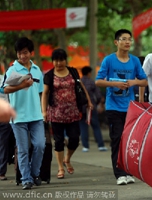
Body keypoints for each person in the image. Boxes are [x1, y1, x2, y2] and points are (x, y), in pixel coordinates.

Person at [95, 29, 147, 185]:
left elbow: (144, 81)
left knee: (130, 141)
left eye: (129, 39)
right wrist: (114, 84)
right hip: (113, 108)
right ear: (116, 42)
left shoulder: (135, 61)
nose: (127, 42)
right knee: (117, 139)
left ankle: (129, 172)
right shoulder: (109, 60)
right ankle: (119, 174)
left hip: (130, 108)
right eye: (124, 39)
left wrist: (134, 82)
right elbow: (98, 81)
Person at [42, 49, 93, 179]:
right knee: (58, 141)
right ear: (53, 61)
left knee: (75, 139)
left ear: (65, 60)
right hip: (56, 113)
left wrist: (88, 101)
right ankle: (60, 167)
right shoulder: (49, 75)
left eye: (61, 60)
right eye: (56, 60)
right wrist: (44, 111)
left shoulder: (73, 71)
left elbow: (81, 86)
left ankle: (67, 159)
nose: (59, 63)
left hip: (73, 112)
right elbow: (45, 94)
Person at [2, 37, 45, 190]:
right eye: (19, 53)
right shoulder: (12, 70)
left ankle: (34, 173)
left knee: (40, 145)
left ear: (31, 53)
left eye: (25, 53)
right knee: (23, 149)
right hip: (18, 117)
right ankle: (26, 178)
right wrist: (21, 85)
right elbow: (4, 89)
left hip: (36, 115)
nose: (22, 56)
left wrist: (44, 111)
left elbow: (41, 92)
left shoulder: (37, 70)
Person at [79, 66, 107, 152]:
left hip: (81, 108)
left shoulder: (79, 82)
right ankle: (100, 145)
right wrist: (98, 103)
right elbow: (98, 95)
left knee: (83, 127)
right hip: (91, 107)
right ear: (88, 73)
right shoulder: (91, 82)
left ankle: (85, 146)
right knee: (96, 126)